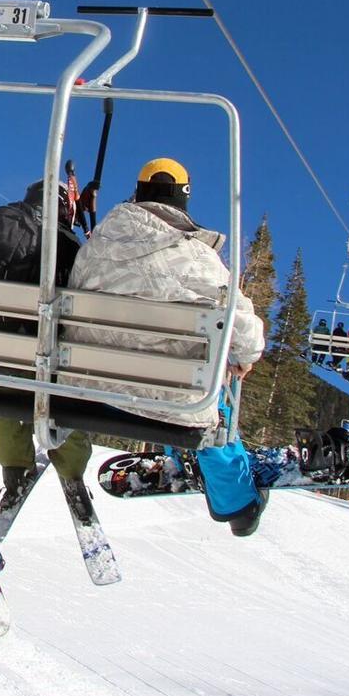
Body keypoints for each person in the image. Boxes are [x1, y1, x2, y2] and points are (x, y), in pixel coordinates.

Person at [64, 157, 269, 537]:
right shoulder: (197, 257)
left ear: (139, 194)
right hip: (175, 402)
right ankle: (236, 504)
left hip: (91, 388)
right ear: (183, 201)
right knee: (208, 397)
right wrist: (244, 356)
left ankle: (184, 457)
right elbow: (242, 327)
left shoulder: (93, 250)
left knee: (180, 375)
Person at [0, 178, 90, 496]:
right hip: (28, 368)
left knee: (4, 364)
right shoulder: (67, 243)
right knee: (51, 372)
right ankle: (72, 468)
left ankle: (13, 464)